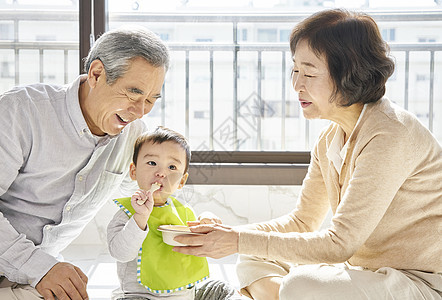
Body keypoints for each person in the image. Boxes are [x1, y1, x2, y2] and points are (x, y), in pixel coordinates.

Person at [172, 9, 442, 300]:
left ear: (349, 74)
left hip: (417, 282)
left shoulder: (390, 134)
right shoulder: (330, 138)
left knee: (300, 284)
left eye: (310, 72)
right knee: (252, 256)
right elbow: (302, 221)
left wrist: (236, 240)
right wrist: (229, 235)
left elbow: (339, 245)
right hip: (363, 275)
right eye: (295, 70)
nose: (297, 85)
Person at [0, 26, 169, 300]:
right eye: (133, 93)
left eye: (150, 100)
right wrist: (39, 267)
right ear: (97, 74)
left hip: (35, 279)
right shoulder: (22, 110)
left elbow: (144, 192)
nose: (140, 111)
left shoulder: (132, 135)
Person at [107, 126, 240, 300]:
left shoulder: (183, 211)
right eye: (152, 163)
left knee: (222, 290)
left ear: (181, 181)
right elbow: (120, 253)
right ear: (133, 171)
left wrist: (205, 222)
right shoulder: (127, 213)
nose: (161, 173)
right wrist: (140, 218)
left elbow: (197, 243)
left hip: (186, 294)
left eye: (171, 167)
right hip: (141, 296)